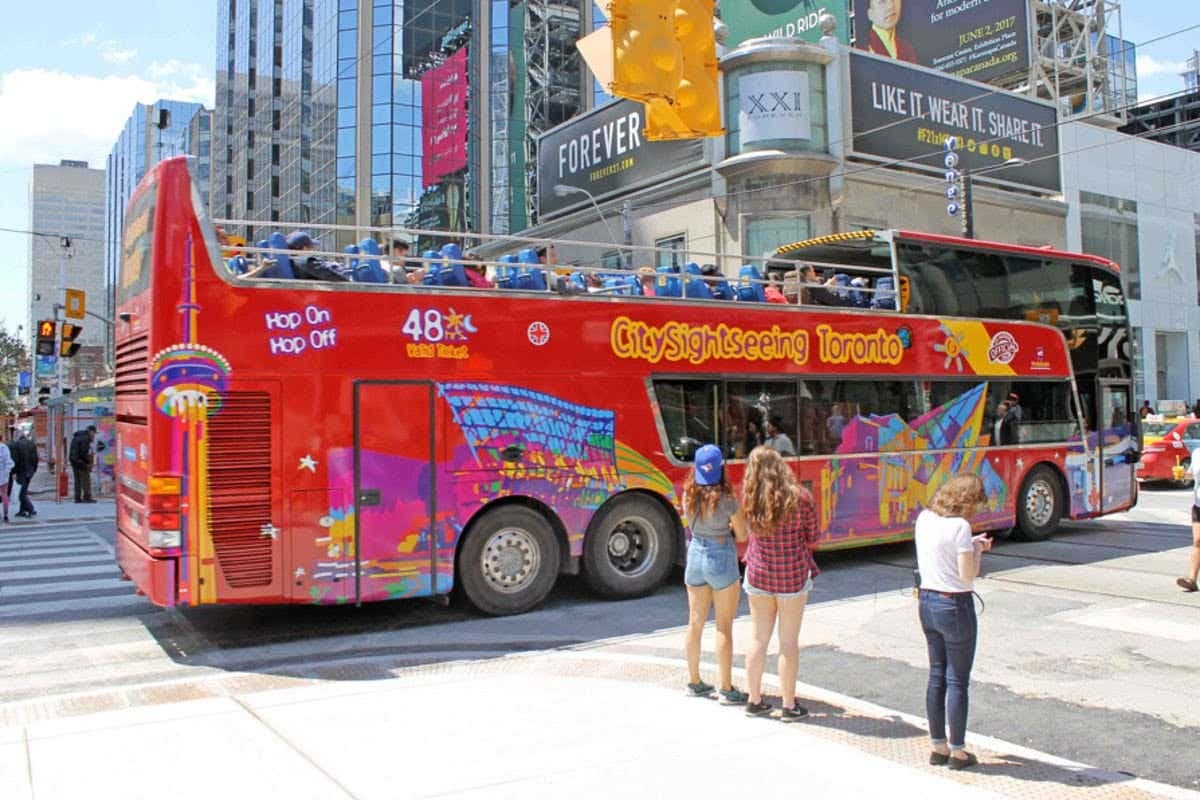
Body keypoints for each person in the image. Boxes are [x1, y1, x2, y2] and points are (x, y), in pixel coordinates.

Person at [915, 475, 992, 769]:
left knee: (936, 674)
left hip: (928, 602)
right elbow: (966, 575)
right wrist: (976, 550)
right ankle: (958, 751)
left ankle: (938, 746)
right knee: (957, 679)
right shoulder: (960, 526)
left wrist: (967, 544)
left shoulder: (924, 519)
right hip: (955, 605)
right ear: (968, 501)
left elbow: (937, 553)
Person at [740, 446, 821, 721]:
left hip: (759, 575)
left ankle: (754, 700)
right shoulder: (801, 498)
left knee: (758, 638)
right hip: (792, 577)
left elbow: (745, 533)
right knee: (788, 643)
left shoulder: (751, 499)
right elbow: (813, 537)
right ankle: (788, 705)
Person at [681, 444, 749, 703]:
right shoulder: (728, 500)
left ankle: (694, 680)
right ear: (721, 468)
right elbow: (743, 534)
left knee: (695, 622)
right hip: (721, 556)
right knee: (723, 627)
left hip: (695, 555)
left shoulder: (688, 495)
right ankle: (726, 687)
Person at [1178, 451, 1200, 592]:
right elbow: (1192, 474)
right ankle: (1192, 580)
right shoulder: (1197, 453)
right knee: (1198, 541)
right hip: (1199, 505)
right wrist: (1182, 475)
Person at [10, 430, 38, 518]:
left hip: (22, 471)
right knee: (23, 491)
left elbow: (16, 460)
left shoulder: (16, 445)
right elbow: (36, 458)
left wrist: (13, 472)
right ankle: (22, 510)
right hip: (30, 471)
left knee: (21, 493)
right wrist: (34, 469)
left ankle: (30, 509)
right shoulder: (31, 443)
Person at [69, 425, 98, 504]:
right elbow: (84, 452)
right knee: (85, 480)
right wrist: (88, 463)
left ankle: (77, 497)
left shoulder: (78, 436)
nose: (94, 435)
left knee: (77, 480)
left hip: (74, 460)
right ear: (90, 432)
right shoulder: (85, 438)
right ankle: (87, 497)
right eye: (94, 433)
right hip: (80, 461)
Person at [0, 436, 13, 523]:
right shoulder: (4, 447)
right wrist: (6, 474)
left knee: (4, 496)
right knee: (4, 495)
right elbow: (9, 462)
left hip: (3, 474)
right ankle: (5, 515)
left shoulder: (3, 447)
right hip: (3, 475)